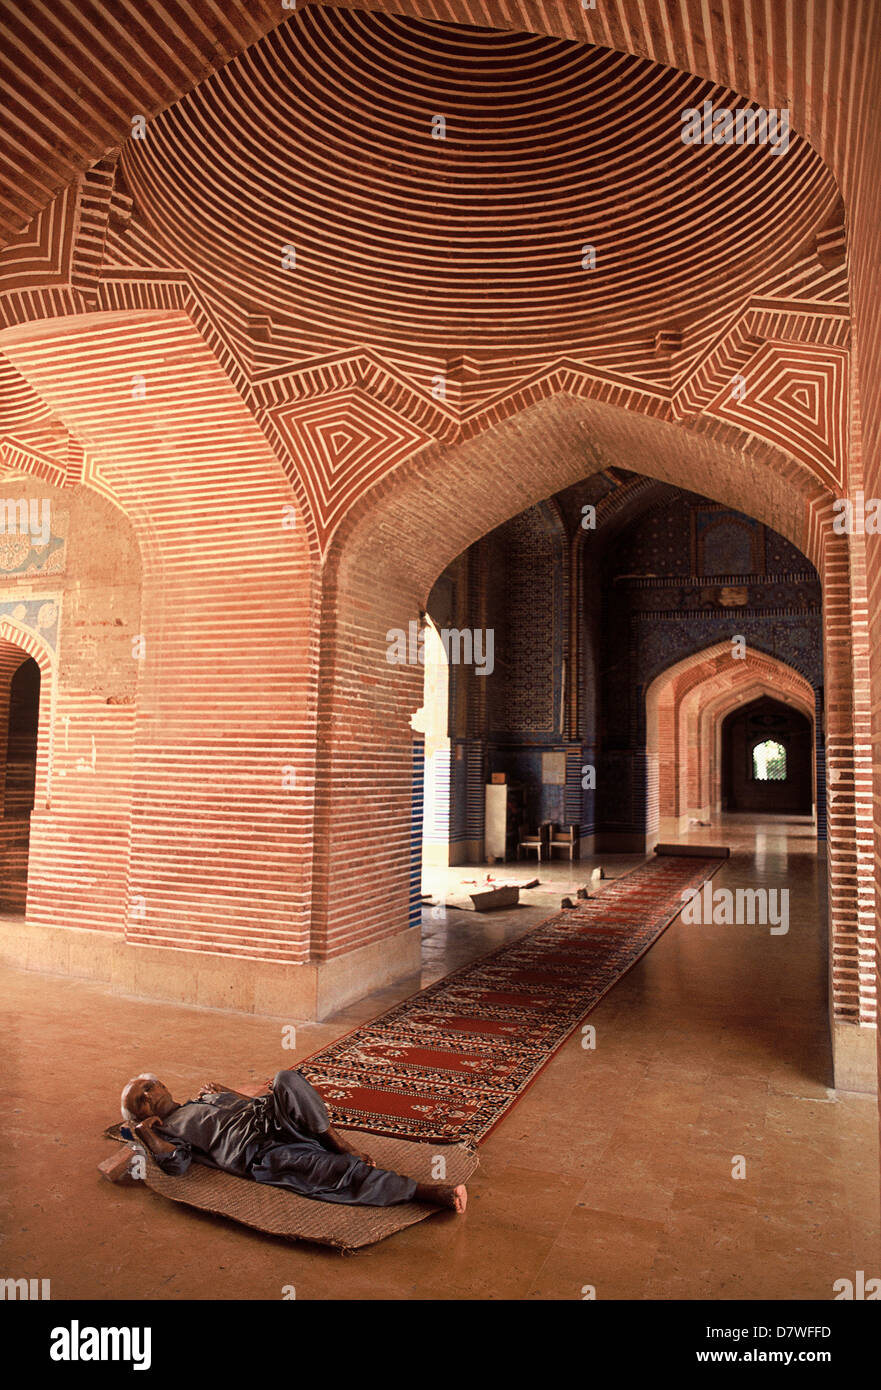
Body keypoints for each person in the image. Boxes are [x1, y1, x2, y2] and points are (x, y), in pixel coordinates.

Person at [120, 1069, 466, 1211]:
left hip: (269, 1119)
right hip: (258, 1151)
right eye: (141, 1099)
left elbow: (252, 1104)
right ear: (140, 1113)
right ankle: (424, 1192)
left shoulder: (203, 1098)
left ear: (165, 1086)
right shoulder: (164, 1130)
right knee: (329, 1171)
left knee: (286, 1078)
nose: (150, 1096)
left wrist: (226, 1092)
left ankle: (336, 1139)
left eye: (150, 1087)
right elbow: (177, 1165)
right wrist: (146, 1132)